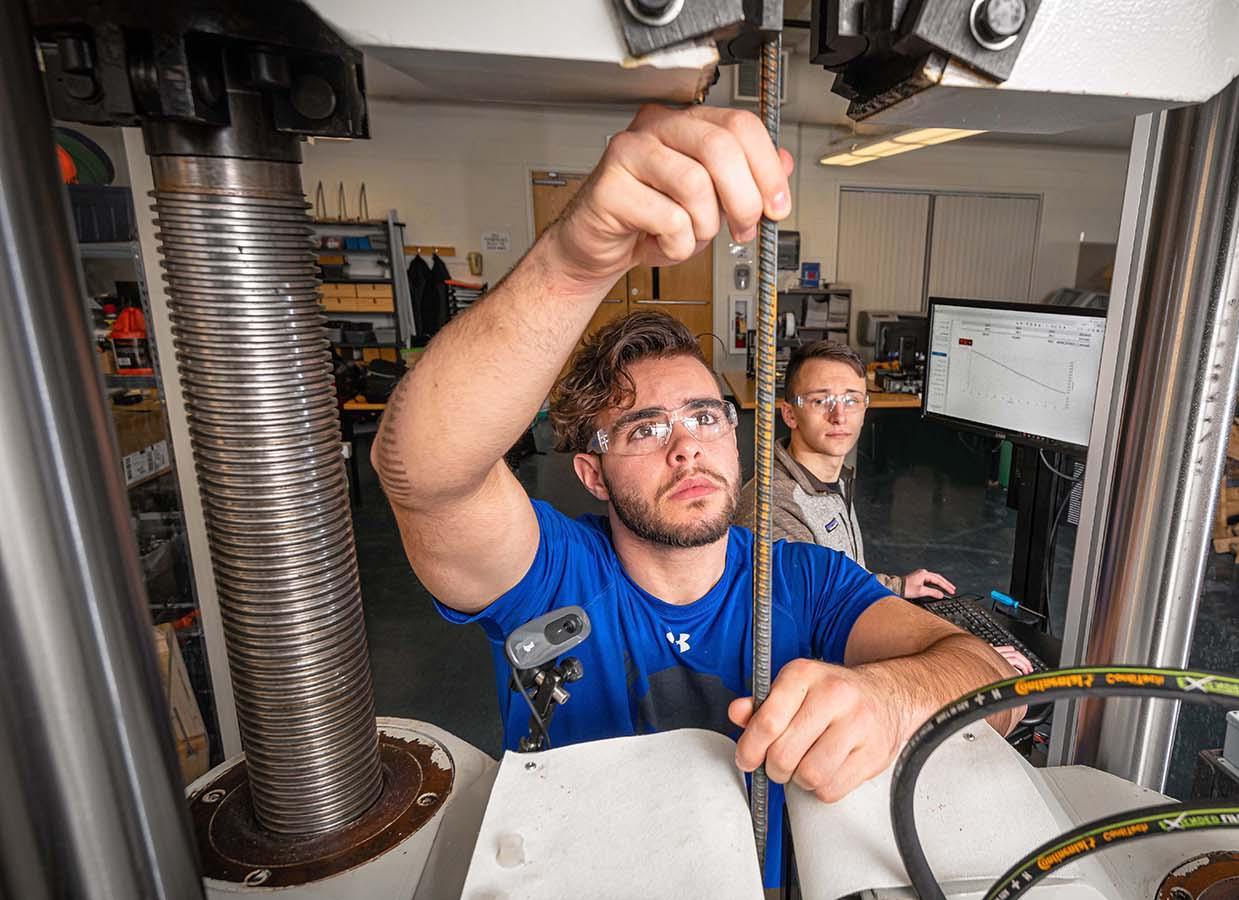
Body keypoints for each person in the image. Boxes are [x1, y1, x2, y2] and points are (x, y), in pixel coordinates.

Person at [371, 103, 1021, 886]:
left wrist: (889, 698)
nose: (687, 444)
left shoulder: (802, 584)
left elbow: (987, 678)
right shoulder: (552, 578)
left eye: (706, 416)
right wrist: (577, 261)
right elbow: (424, 471)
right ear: (591, 472)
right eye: (645, 430)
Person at [735, 340, 955, 600]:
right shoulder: (775, 510)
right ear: (790, 414)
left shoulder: (828, 481)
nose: (839, 415)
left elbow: (834, 580)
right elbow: (816, 615)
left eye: (851, 400)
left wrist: (897, 587)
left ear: (864, 410)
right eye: (820, 400)